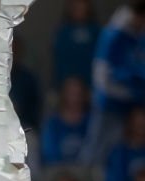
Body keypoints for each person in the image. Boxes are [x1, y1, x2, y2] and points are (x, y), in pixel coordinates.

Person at [89, 1, 145, 159]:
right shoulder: (114, 35)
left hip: (128, 105)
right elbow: (102, 77)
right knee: (97, 149)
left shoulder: (137, 35)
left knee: (117, 151)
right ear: (138, 16)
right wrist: (132, 91)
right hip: (108, 104)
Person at [42, 77, 92, 166]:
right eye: (71, 93)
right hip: (57, 170)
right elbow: (49, 153)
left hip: (84, 169)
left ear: (85, 95)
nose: (75, 98)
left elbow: (94, 148)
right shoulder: (53, 123)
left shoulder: (91, 122)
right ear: (64, 95)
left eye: (78, 93)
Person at [54, 0, 101, 88]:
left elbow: (100, 60)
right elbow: (60, 61)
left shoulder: (96, 31)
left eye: (82, 6)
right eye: (76, 7)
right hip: (68, 85)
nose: (80, 10)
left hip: (91, 84)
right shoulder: (63, 32)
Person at [106, 107, 145, 181]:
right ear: (130, 124)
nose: (140, 127)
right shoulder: (119, 152)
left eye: (143, 123)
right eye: (137, 123)